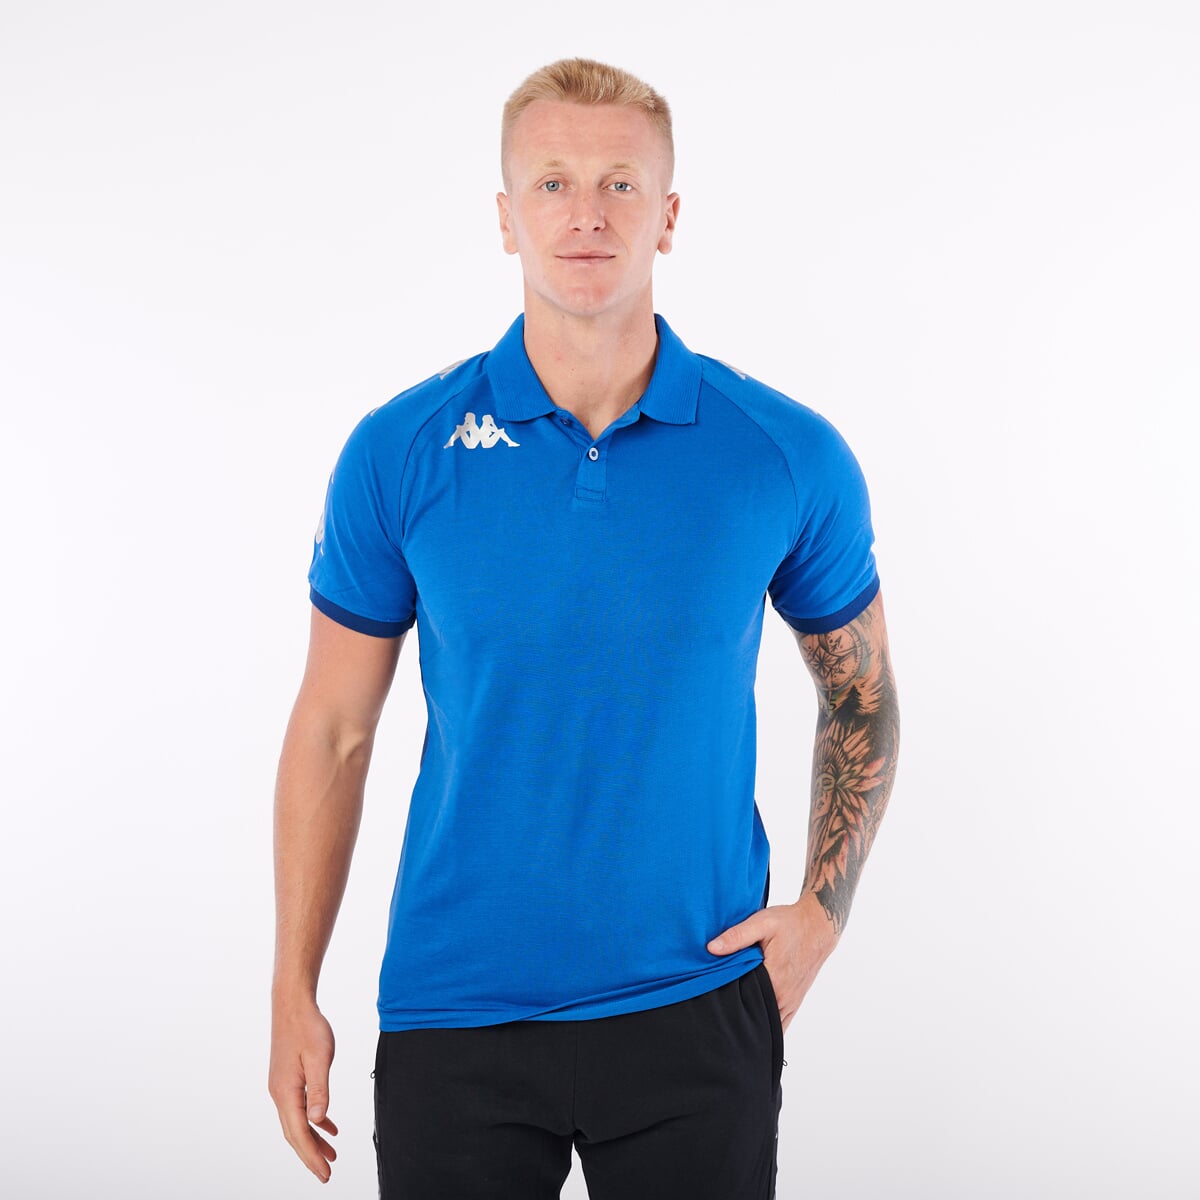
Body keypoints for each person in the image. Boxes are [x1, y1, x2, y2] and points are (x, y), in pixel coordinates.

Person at [268, 57, 899, 1199]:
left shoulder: (784, 454)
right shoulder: (398, 452)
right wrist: (291, 986)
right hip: (454, 1010)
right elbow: (333, 732)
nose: (587, 214)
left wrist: (823, 912)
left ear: (669, 215)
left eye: (620, 184)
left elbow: (862, 694)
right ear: (506, 218)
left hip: (694, 1000)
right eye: (552, 183)